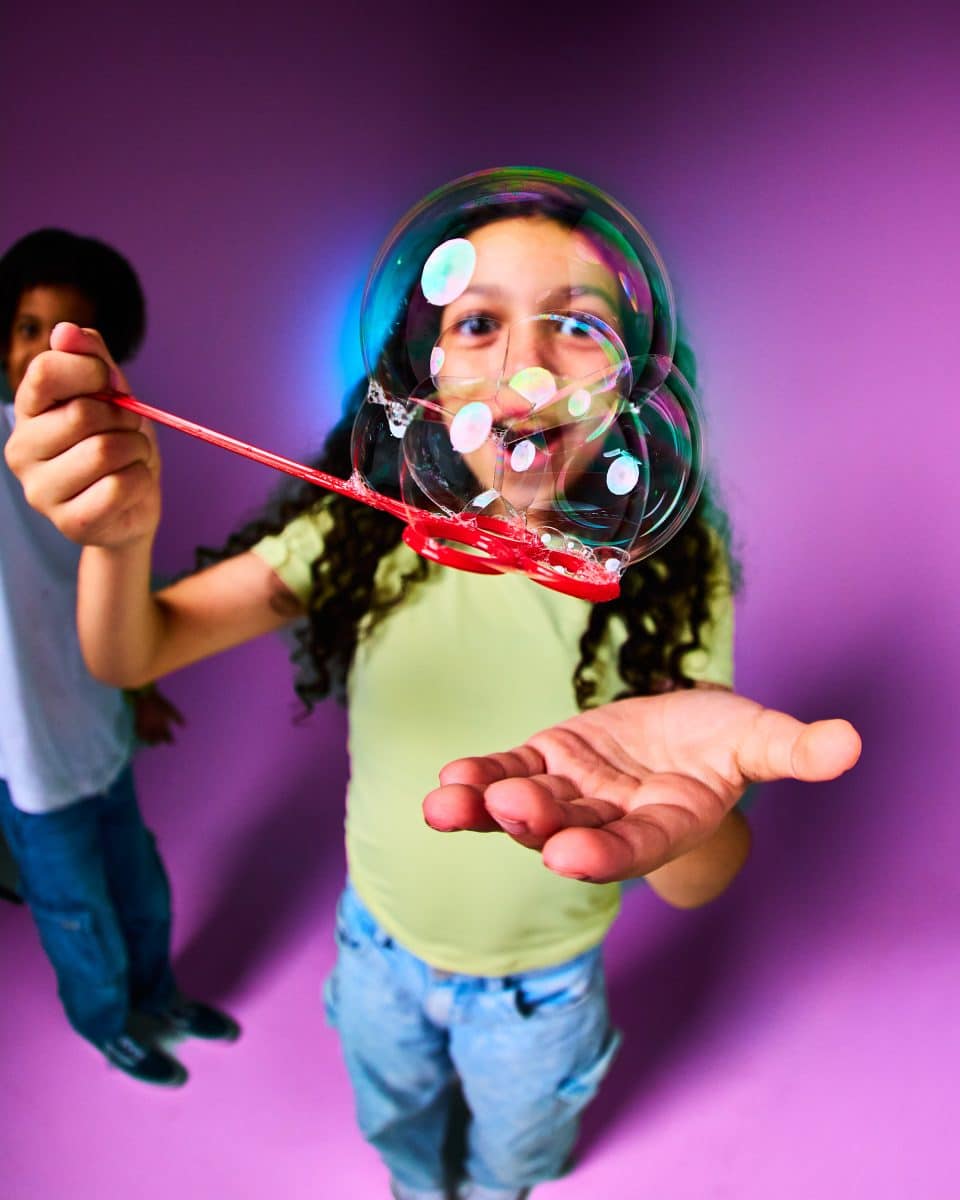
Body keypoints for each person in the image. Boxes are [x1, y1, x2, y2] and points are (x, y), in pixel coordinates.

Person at [5, 177, 859, 1196]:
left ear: (637, 384)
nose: (528, 366)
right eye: (479, 321)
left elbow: (698, 869)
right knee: (401, 1142)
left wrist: (693, 825)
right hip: (377, 956)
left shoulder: (673, 575)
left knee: (517, 1165)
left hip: (546, 994)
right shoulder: (363, 534)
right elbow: (129, 655)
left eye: (578, 326)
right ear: (426, 369)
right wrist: (118, 537)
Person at [0, 228, 240, 1089]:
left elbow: (109, 590)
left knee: (140, 892)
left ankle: (159, 994)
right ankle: (107, 1025)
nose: (46, 351)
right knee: (76, 917)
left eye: (73, 334)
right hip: (28, 760)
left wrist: (139, 687)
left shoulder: (106, 458)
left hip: (100, 733)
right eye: (28, 328)